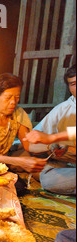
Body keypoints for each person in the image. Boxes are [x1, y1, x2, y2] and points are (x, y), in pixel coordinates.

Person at [26, 64, 76, 195]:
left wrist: (54, 138)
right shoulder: (63, 109)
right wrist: (52, 144)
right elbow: (32, 143)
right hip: (67, 166)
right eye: (73, 84)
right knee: (50, 180)